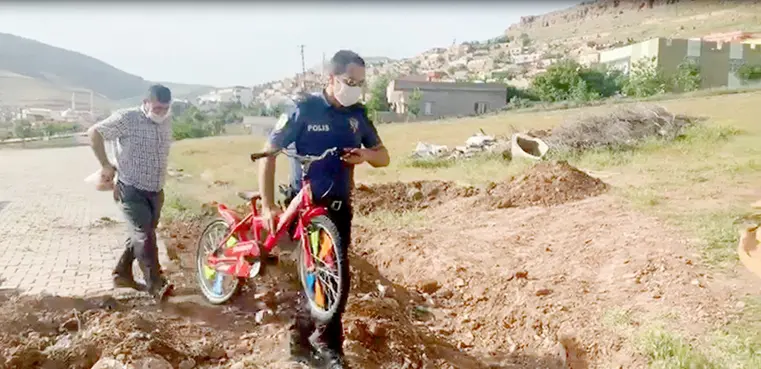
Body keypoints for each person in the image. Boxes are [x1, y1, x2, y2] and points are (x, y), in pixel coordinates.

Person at [258, 50, 390, 368]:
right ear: (331, 78)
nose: (355, 88)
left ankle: (308, 341)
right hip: (304, 203)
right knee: (322, 275)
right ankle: (322, 345)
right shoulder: (304, 109)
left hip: (339, 206)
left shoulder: (357, 115)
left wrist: (365, 156)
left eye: (360, 83)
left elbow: (383, 155)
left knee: (332, 276)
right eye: (349, 81)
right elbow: (268, 153)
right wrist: (267, 205)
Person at [87, 84, 175, 302]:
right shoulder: (127, 119)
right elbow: (94, 133)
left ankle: (122, 273)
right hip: (131, 188)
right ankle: (156, 284)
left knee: (141, 234)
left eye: (165, 109)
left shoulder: (166, 121)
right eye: (157, 109)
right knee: (145, 235)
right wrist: (106, 165)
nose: (161, 113)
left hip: (156, 190)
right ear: (145, 103)